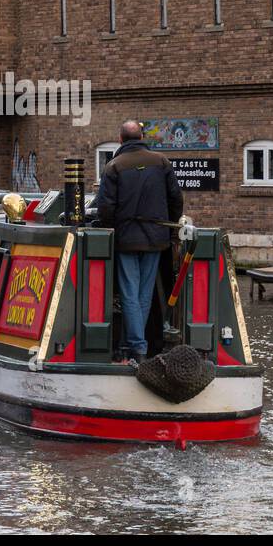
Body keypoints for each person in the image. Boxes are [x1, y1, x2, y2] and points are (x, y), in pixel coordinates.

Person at [94, 120, 183, 365]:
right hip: (156, 237)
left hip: (126, 239)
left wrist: (110, 229)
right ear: (142, 136)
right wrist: (170, 227)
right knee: (144, 294)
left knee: (129, 294)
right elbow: (176, 198)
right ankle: (133, 344)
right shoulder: (162, 162)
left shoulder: (114, 166)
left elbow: (105, 207)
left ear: (120, 139)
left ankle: (137, 346)